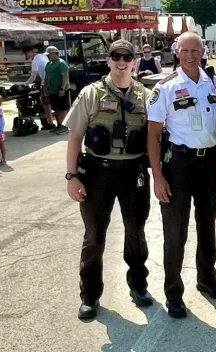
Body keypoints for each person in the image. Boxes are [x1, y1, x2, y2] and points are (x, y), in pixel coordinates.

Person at [64, 40, 152, 321]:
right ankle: (90, 295)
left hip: (134, 172)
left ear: (135, 61)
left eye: (128, 56)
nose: (122, 61)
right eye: (117, 56)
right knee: (94, 235)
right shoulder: (92, 94)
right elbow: (75, 136)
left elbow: (156, 136)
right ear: (109, 60)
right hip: (97, 172)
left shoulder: (147, 96)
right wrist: (72, 176)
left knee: (136, 231)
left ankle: (138, 285)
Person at [147, 32, 216, 318]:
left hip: (208, 164)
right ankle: (173, 293)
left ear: (203, 52)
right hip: (178, 165)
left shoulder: (215, 82)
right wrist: (158, 177)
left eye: (196, 50)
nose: (190, 55)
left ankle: (207, 280)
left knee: (208, 228)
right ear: (176, 52)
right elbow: (154, 134)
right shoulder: (166, 87)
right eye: (185, 50)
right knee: (175, 232)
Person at [23, 45, 53, 130]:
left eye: (26, 54)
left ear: (30, 52)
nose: (26, 56)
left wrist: (24, 84)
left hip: (45, 83)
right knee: (48, 104)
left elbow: (33, 77)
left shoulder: (35, 60)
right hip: (50, 81)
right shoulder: (43, 56)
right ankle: (50, 122)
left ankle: (50, 123)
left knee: (46, 105)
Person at [44, 46, 71, 134]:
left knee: (63, 109)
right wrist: (46, 88)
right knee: (56, 109)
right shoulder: (49, 64)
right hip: (52, 90)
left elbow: (65, 76)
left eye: (49, 55)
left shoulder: (61, 63)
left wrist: (62, 88)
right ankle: (59, 125)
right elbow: (47, 77)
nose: (47, 57)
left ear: (55, 54)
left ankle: (65, 127)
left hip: (61, 90)